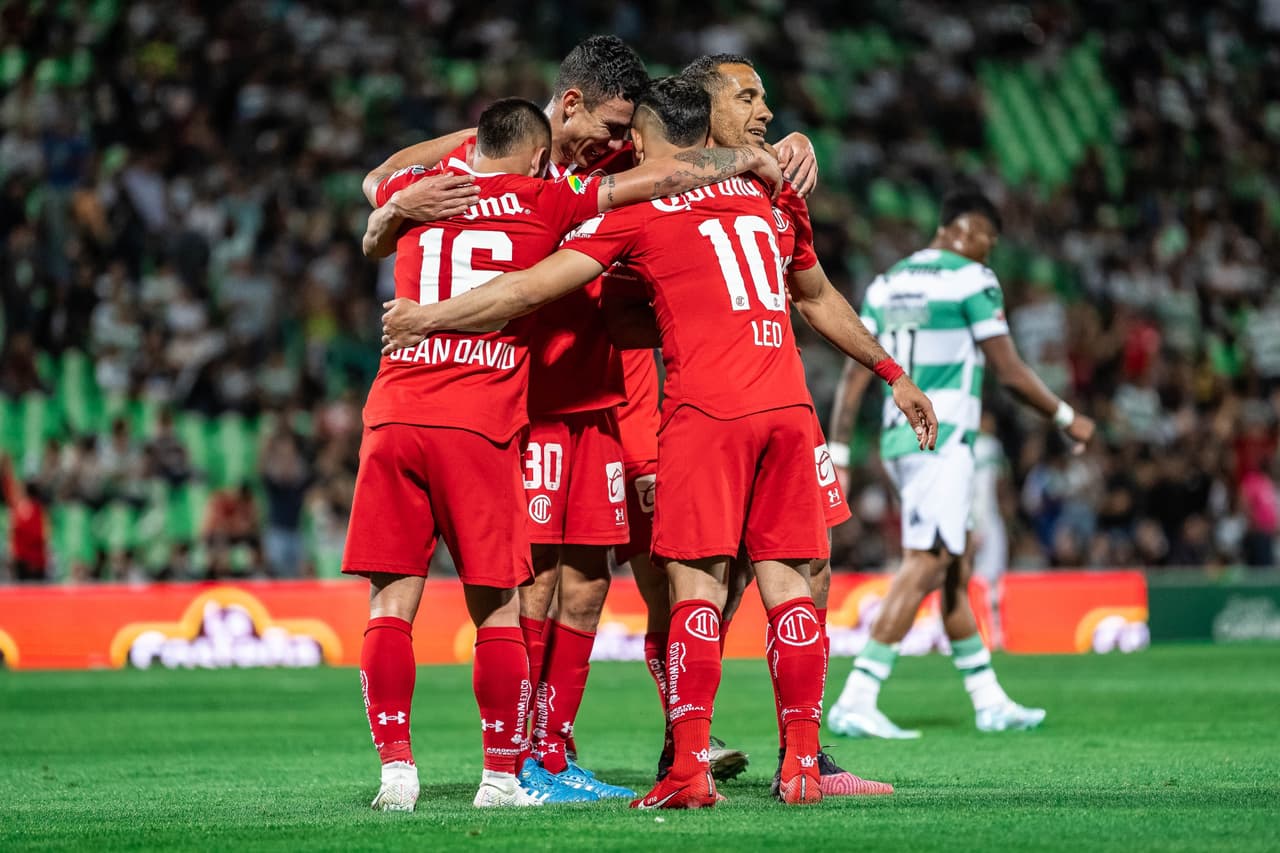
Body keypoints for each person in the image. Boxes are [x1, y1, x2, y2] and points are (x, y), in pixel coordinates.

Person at [381, 76, 938, 808]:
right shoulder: (768, 194)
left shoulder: (638, 208)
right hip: (784, 399)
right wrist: (893, 371)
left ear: (643, 138)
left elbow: (527, 291)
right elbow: (813, 294)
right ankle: (799, 759)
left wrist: (429, 316)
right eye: (748, 99)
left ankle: (690, 767)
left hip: (703, 409)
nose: (764, 115)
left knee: (693, 587)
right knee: (792, 578)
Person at [352, 95, 780, 812]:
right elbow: (661, 182)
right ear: (545, 136)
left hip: (396, 408)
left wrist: (392, 214)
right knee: (503, 604)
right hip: (488, 418)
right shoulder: (548, 196)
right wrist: (748, 159)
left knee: (393, 601)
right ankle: (502, 773)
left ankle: (399, 769)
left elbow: (374, 211)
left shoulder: (416, 193)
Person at [604, 52, 895, 797]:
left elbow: (813, 290)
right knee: (704, 582)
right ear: (704, 111)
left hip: (749, 401)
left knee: (796, 569)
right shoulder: (634, 170)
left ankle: (793, 753)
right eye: (750, 98)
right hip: (674, 405)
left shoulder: (769, 185)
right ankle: (690, 744)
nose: (766, 112)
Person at [825, 189, 1096, 739]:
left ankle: (988, 699)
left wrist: (841, 450)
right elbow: (1010, 371)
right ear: (966, 230)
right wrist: (1067, 416)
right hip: (942, 438)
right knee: (929, 559)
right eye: (988, 242)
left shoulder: (888, 282)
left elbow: (857, 371)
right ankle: (857, 696)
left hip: (899, 444)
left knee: (954, 566)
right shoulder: (971, 279)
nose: (989, 254)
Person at [2, 454, 49, 582]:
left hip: (33, 563)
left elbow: (41, 535)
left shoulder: (36, 510)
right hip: (21, 562)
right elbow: (9, 489)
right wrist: (7, 468)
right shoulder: (20, 507)